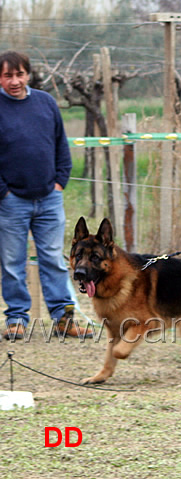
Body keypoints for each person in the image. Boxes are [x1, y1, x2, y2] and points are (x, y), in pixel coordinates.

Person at [0, 51, 91, 340]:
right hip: (11, 201)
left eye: (19, 74)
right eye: (7, 75)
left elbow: (60, 146)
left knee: (53, 259)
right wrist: (4, 192)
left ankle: (64, 318)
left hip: (49, 198)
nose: (14, 81)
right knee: (12, 262)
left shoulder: (46, 103)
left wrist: (60, 181)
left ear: (28, 74)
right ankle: (16, 318)